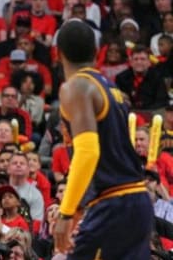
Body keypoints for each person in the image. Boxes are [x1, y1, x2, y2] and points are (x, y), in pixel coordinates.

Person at [53, 20, 152, 258]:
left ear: (58, 53)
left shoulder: (76, 87)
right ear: (97, 53)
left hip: (113, 203)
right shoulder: (111, 88)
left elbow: (89, 152)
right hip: (137, 200)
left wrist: (66, 212)